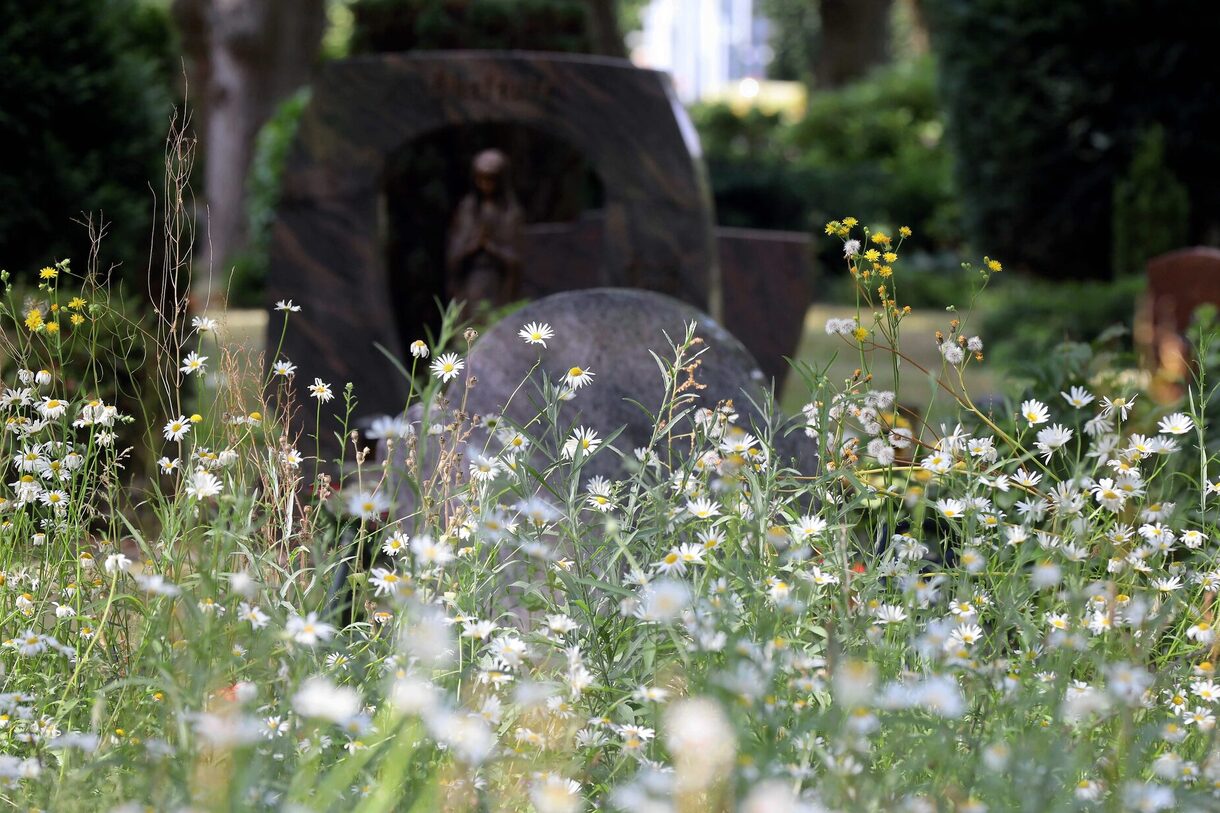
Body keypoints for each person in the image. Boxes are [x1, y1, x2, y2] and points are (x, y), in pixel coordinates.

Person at [445, 149, 523, 313]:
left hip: (497, 284)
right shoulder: (467, 209)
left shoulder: (509, 212)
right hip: (470, 280)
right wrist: (474, 245)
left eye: (491, 180)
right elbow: (454, 253)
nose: (485, 185)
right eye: (480, 179)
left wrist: (491, 247)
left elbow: (516, 258)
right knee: (469, 322)